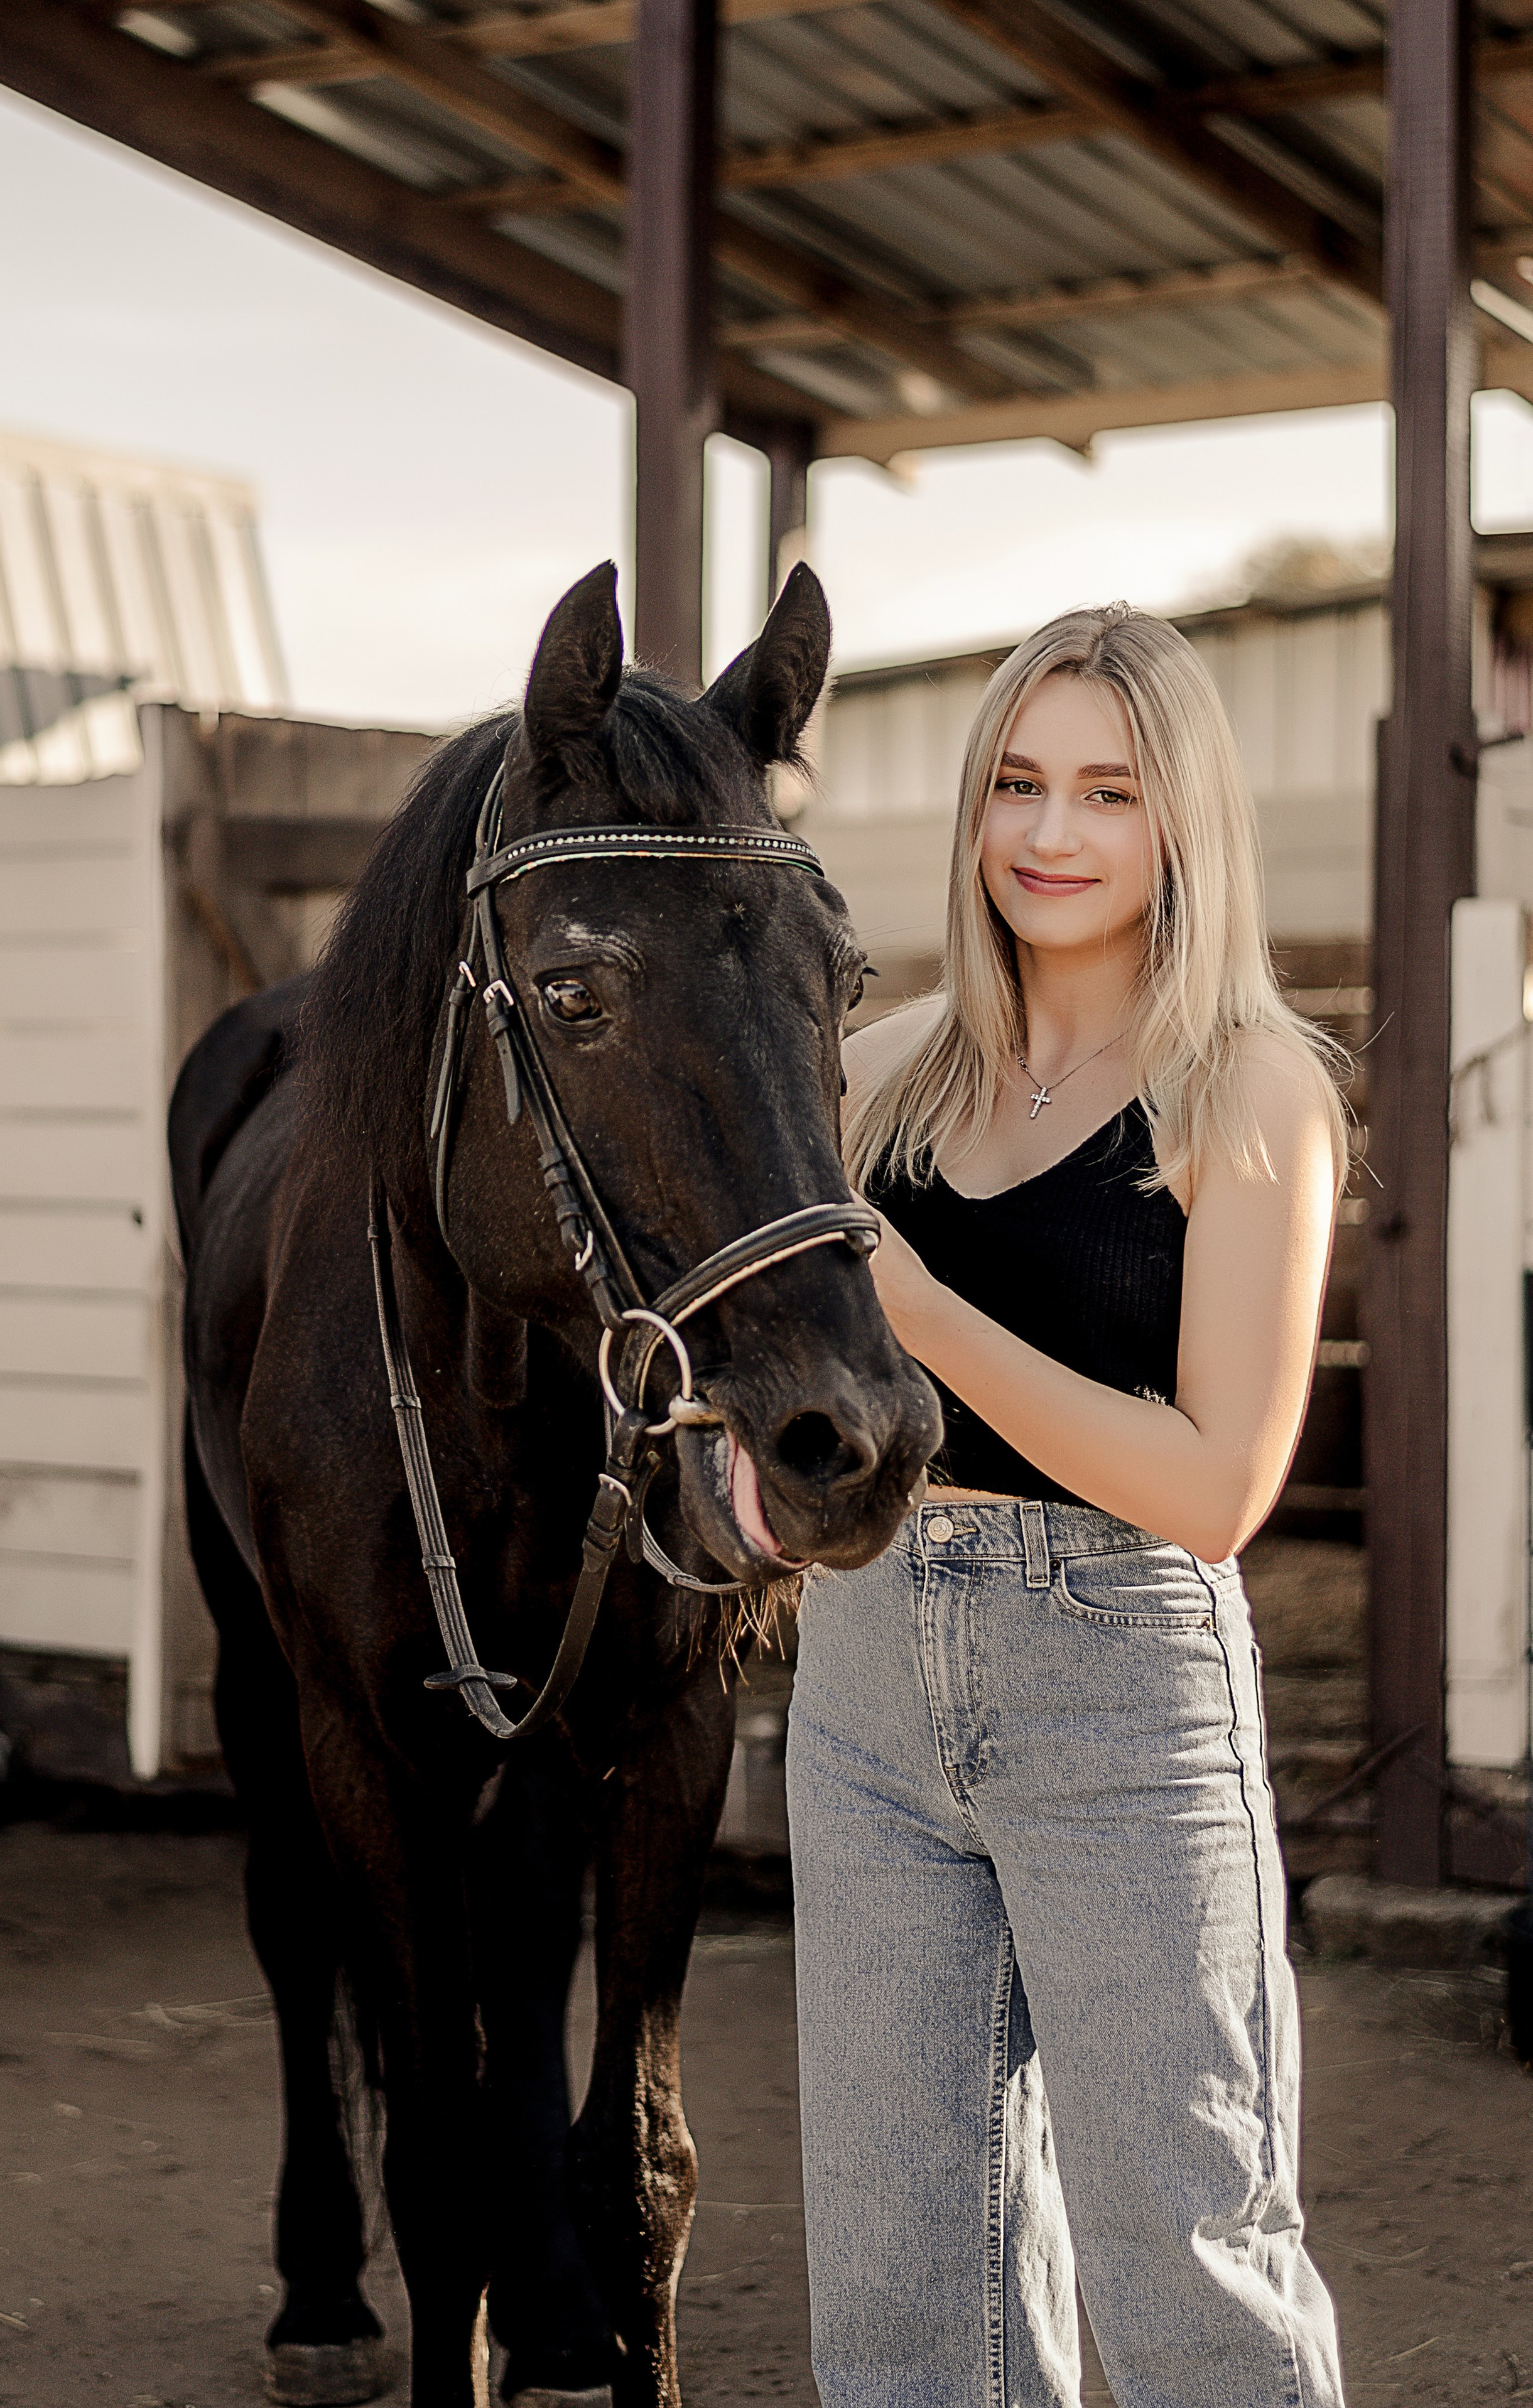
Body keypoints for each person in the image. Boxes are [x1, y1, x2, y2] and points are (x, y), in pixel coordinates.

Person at [786, 603, 1348, 2408]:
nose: (1051, 833)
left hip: (1122, 1685)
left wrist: (926, 1322)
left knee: (1189, 2261)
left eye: (1109, 791)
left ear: (1183, 821)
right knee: (898, 2293)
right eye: (1018, 784)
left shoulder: (1244, 1090)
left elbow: (1216, 1484)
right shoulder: (881, 1082)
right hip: (869, 1679)